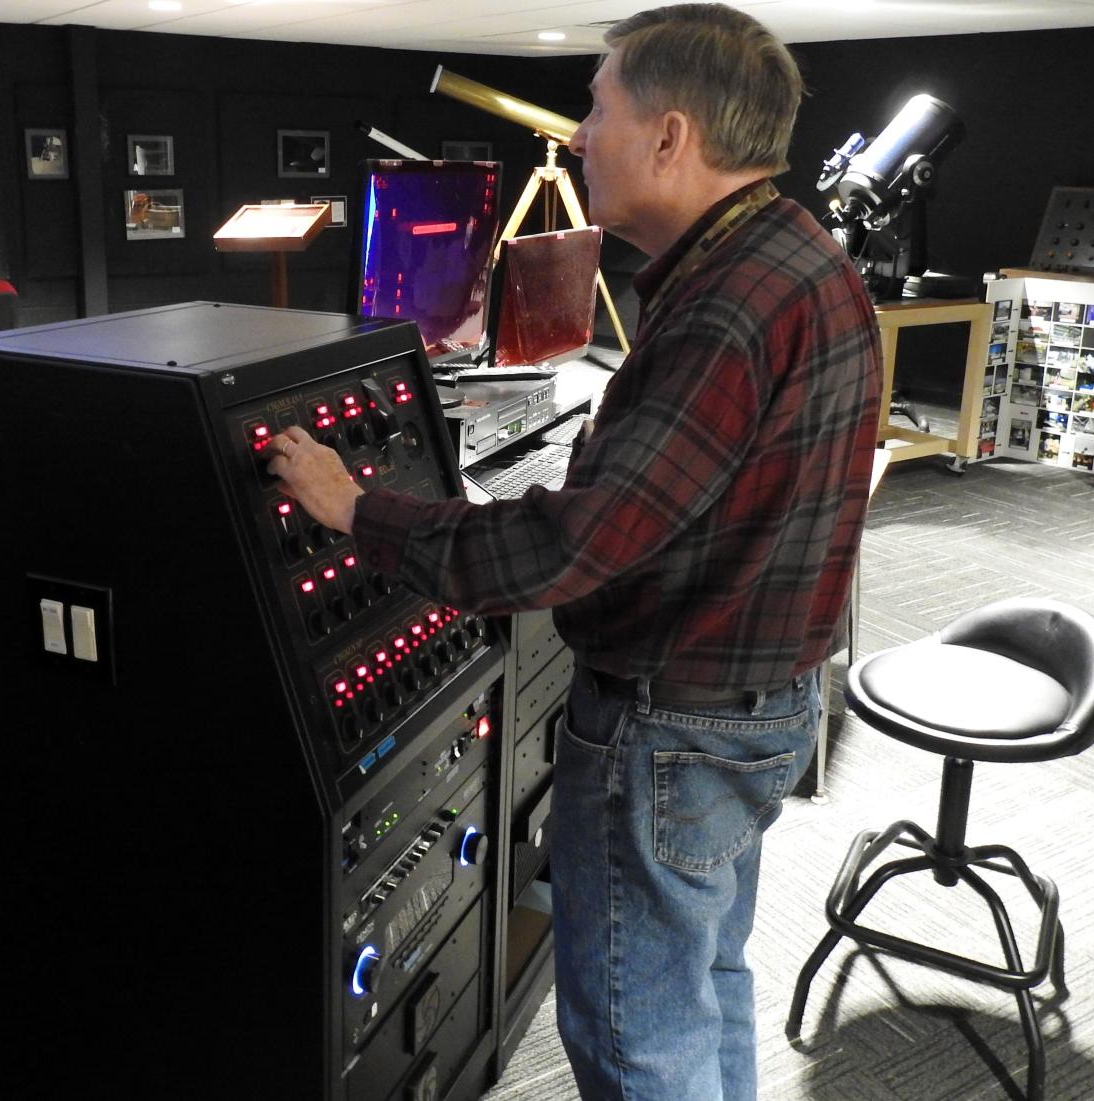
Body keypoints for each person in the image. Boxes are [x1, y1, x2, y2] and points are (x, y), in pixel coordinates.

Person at [265, 5, 881, 1097]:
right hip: (757, 702)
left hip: (673, 723)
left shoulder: (726, 306)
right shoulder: (796, 254)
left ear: (668, 136)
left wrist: (357, 509)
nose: (578, 136)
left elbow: (565, 552)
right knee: (706, 982)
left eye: (596, 108)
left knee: (638, 1035)